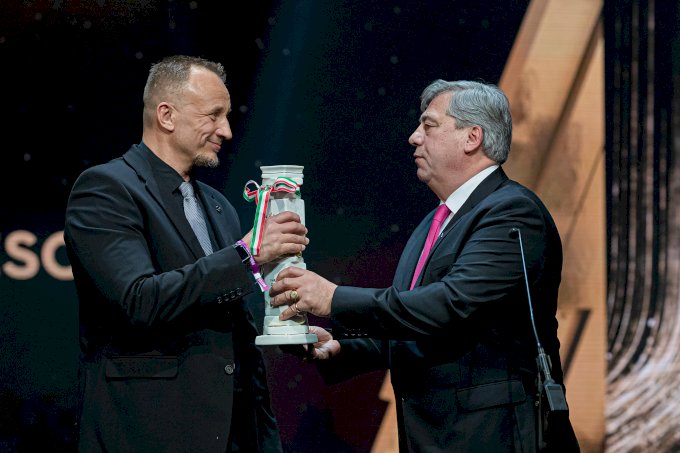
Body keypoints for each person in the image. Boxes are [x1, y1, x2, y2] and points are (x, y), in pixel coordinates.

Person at [269, 80, 580, 452]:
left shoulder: (512, 212)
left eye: (429, 126)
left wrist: (334, 298)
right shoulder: (435, 223)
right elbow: (417, 324)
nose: (414, 137)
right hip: (436, 435)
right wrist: (341, 348)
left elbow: (450, 305)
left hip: (493, 436)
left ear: (472, 137)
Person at [64, 55, 309, 452]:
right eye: (214, 115)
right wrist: (247, 255)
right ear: (166, 115)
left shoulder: (217, 205)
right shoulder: (106, 189)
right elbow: (138, 300)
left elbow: (230, 321)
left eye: (227, 117)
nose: (226, 131)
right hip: (151, 432)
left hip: (233, 432)